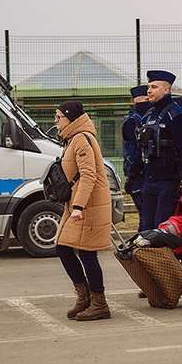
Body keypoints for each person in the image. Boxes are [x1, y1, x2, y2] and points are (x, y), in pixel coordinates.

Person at [137, 70, 182, 292]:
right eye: (149, 87)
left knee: (163, 233)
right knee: (145, 231)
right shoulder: (148, 115)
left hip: (170, 182)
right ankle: (155, 276)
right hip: (150, 181)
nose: (149, 91)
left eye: (154, 87)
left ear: (167, 89)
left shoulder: (176, 115)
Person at [54, 101, 114, 321]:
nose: (56, 121)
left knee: (86, 252)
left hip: (87, 206)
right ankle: (85, 296)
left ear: (71, 118)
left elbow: (89, 174)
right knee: (63, 247)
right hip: (77, 205)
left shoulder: (81, 139)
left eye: (59, 116)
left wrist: (79, 206)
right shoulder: (73, 139)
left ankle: (99, 303)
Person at [122, 85, 150, 217]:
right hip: (140, 175)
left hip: (139, 175)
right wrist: (132, 174)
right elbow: (133, 152)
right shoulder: (132, 123)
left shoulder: (132, 120)